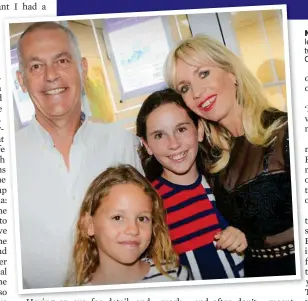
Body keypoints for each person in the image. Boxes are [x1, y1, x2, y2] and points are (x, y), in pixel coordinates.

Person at [14, 22, 143, 289]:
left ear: (82, 69)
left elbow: (146, 225)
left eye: (61, 60)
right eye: (36, 66)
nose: (51, 76)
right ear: (21, 81)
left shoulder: (121, 143)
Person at [163, 34, 294, 277]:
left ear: (231, 73)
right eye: (185, 88)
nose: (197, 92)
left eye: (203, 74)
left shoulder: (287, 131)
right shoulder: (214, 159)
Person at [136, 89, 246, 280]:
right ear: (147, 145)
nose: (174, 144)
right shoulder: (147, 203)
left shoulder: (226, 181)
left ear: (200, 130)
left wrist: (240, 236)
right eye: (159, 135)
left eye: (181, 129)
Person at [66, 164, 191, 286]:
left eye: (142, 218)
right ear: (89, 224)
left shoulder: (175, 277)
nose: (133, 230)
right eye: (118, 218)